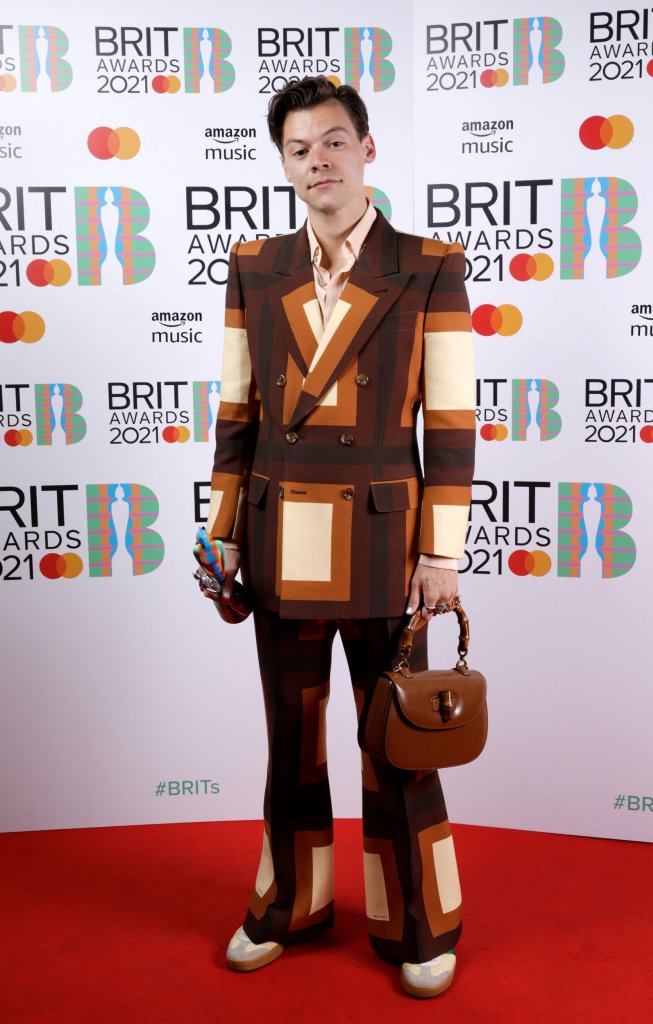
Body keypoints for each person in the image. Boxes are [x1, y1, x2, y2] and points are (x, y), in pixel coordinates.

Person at [205, 77, 475, 999]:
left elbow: (449, 421)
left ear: (366, 150)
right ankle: (291, 906)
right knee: (292, 742)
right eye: (297, 148)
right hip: (280, 539)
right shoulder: (253, 265)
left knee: (397, 744)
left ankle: (419, 924)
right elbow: (235, 415)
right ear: (282, 165)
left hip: (382, 546)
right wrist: (222, 538)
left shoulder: (429, 262)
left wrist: (440, 552)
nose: (317, 160)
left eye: (332, 142)